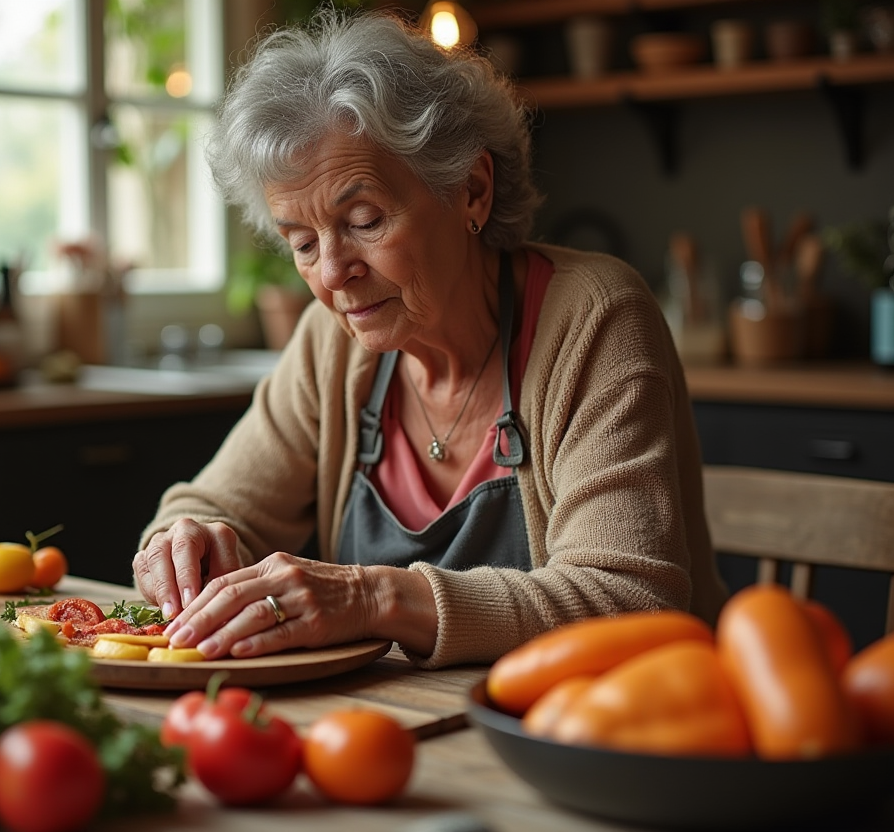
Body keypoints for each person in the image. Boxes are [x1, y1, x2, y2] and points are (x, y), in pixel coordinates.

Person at [132, 9, 728, 669]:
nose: (332, 273)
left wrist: (369, 598)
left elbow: (632, 599)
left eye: (364, 220)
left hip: (607, 733)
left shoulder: (594, 318)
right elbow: (209, 505)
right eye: (301, 242)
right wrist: (182, 543)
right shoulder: (331, 347)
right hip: (397, 732)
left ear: (471, 190)